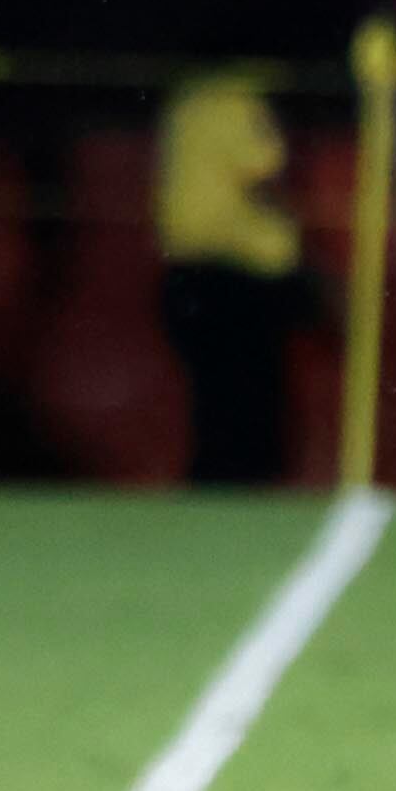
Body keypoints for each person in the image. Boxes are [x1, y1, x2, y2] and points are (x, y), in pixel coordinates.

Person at [155, 67, 311, 486]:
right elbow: (265, 169)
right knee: (253, 399)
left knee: (212, 398)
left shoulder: (185, 101)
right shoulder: (242, 103)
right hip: (245, 270)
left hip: (186, 266)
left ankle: (213, 488)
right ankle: (249, 489)